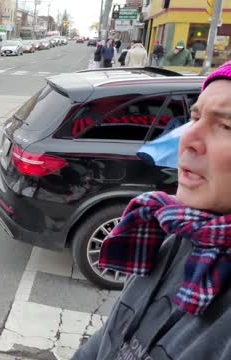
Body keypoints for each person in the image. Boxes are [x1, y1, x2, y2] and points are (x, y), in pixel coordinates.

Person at [71, 61, 231, 360]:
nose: (188, 140)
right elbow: (110, 338)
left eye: (225, 126)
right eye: (194, 117)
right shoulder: (176, 231)